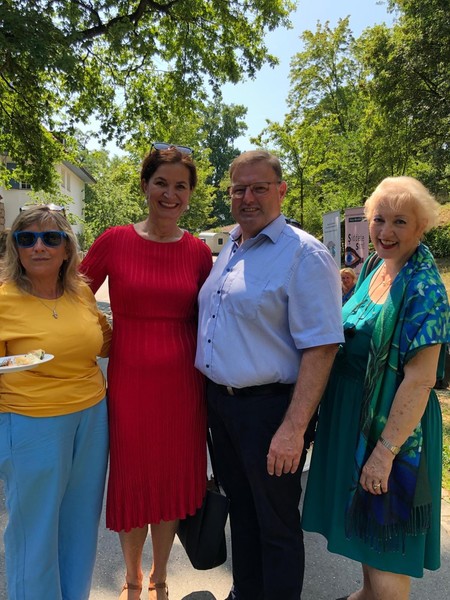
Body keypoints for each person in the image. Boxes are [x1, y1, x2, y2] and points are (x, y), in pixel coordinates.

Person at [195, 149, 344, 600]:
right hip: (223, 406)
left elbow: (321, 347)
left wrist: (293, 429)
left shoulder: (304, 254)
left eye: (259, 187)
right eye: (239, 188)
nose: (248, 197)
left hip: (271, 412)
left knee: (276, 525)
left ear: (280, 191)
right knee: (241, 512)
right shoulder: (231, 247)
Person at [302, 176, 450, 600]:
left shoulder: (425, 289)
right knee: (364, 537)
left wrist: (384, 455)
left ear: (421, 228)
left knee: (386, 549)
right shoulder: (374, 269)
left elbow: (421, 379)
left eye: (400, 222)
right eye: (379, 219)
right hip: (355, 419)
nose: (386, 232)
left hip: (393, 434)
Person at [81, 144, 212, 600]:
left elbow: (215, 316)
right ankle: (132, 579)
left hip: (182, 386)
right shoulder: (115, 240)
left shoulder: (198, 252)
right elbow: (75, 294)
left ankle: (160, 578)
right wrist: (95, 335)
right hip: (131, 383)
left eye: (180, 186)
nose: (170, 194)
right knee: (134, 480)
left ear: (190, 194)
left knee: (172, 482)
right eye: (162, 183)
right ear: (145, 185)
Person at [0, 205, 111, 600]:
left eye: (51, 238)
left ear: (68, 248)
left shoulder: (81, 291)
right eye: (26, 238)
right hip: (32, 421)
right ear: (16, 248)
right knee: (36, 529)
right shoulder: (5, 298)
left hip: (92, 417)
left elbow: (105, 339)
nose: (39, 247)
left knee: (80, 523)